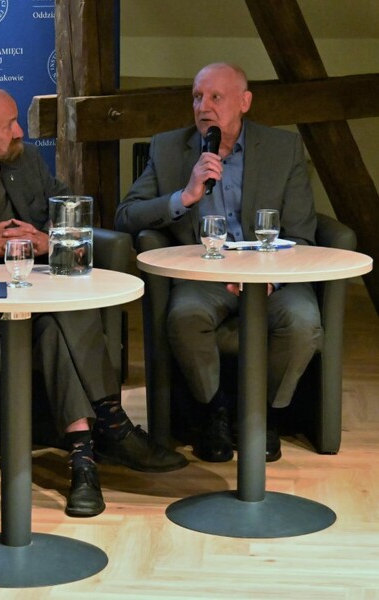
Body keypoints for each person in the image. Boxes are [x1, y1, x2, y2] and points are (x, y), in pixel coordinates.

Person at [0, 85, 187, 518]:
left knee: (56, 318)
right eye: (9, 124)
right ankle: (114, 427)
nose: (21, 131)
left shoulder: (23, 161)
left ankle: (84, 457)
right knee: (63, 310)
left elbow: (63, 206)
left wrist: (50, 238)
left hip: (32, 289)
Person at [115, 62, 321, 463]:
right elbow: (126, 215)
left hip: (269, 274)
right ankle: (215, 412)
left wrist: (270, 280)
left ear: (244, 102)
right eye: (197, 97)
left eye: (215, 97)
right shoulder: (168, 147)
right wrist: (184, 196)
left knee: (303, 322)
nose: (203, 106)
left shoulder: (283, 148)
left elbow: (301, 232)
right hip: (203, 274)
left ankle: (260, 414)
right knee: (185, 316)